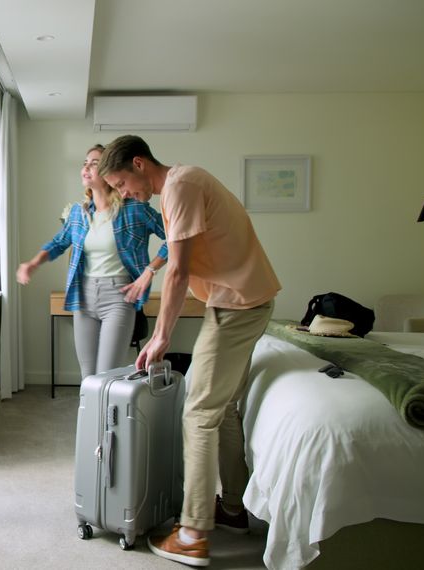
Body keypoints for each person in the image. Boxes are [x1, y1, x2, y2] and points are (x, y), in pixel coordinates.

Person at [98, 135, 280, 568]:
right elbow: (179, 249)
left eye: (121, 183)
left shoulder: (179, 186)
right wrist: (148, 272)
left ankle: (194, 533)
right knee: (225, 407)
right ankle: (233, 508)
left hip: (236, 306)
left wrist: (161, 336)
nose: (123, 194)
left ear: (139, 164)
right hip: (242, 300)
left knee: (198, 413)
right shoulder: (182, 183)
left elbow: (180, 270)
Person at [17, 144, 168, 380]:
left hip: (119, 297)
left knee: (106, 376)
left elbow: (174, 235)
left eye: (95, 163)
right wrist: (33, 264)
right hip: (84, 296)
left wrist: (150, 270)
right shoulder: (79, 213)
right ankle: (86, 419)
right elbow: (59, 242)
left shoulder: (135, 210)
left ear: (109, 172)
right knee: (88, 377)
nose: (86, 167)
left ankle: (106, 418)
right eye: (85, 162)